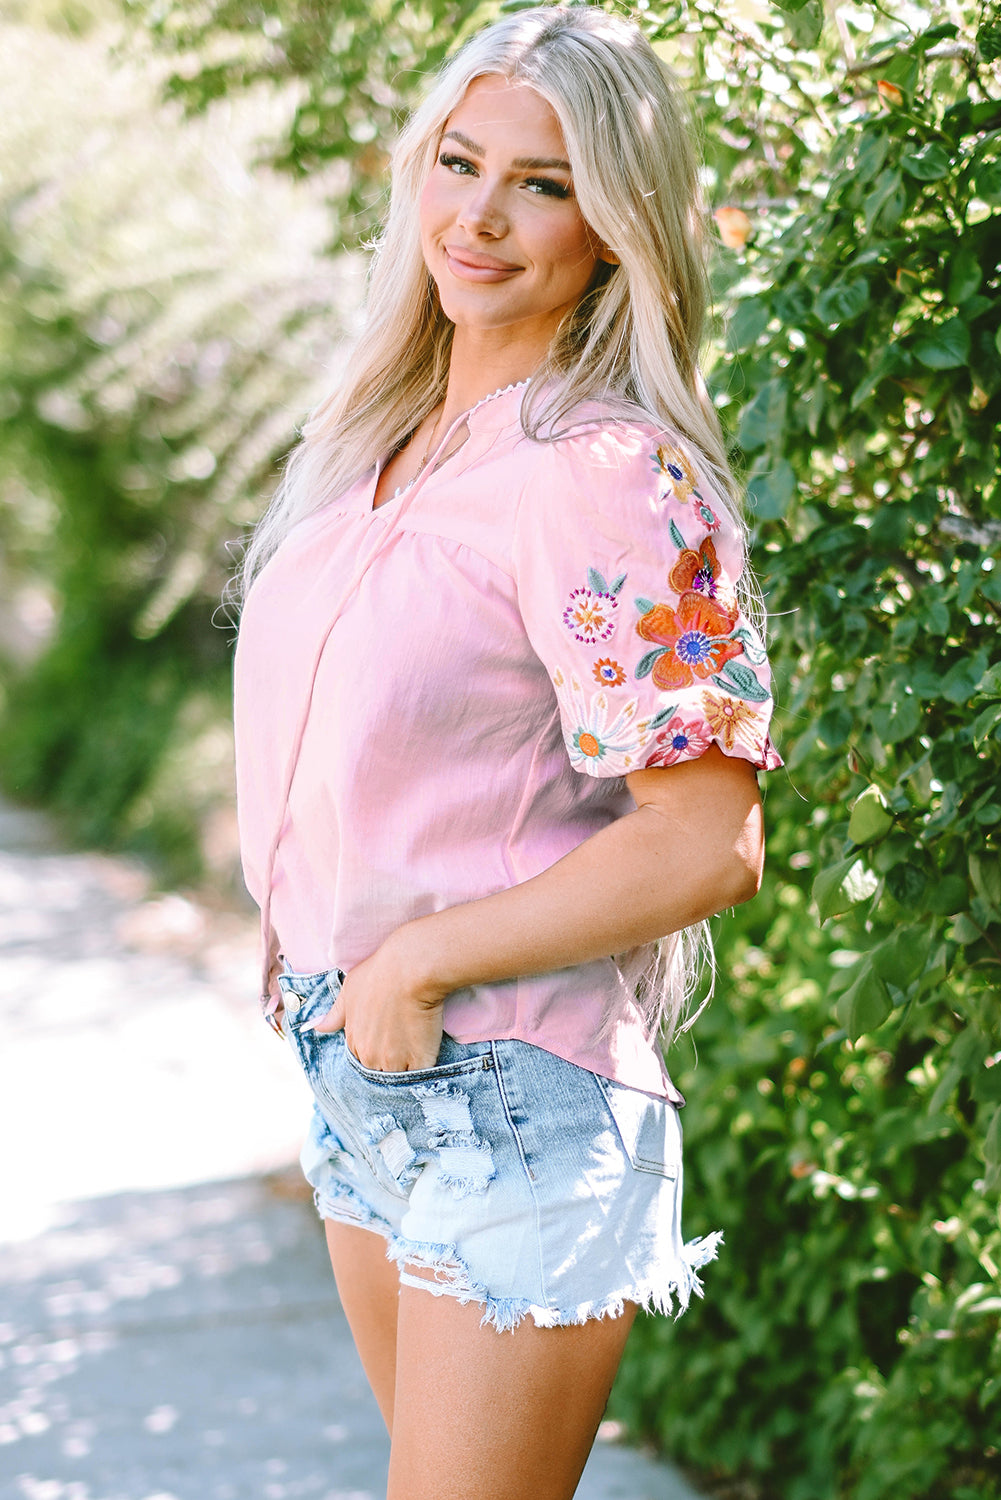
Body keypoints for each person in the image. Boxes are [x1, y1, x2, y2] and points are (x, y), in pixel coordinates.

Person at [233, 7, 781, 1497]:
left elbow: (702, 839)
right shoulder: (377, 453)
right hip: (365, 1078)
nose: (478, 216)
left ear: (612, 229)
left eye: (539, 184)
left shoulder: (601, 474)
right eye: (458, 163)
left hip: (512, 1092)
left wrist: (413, 963)